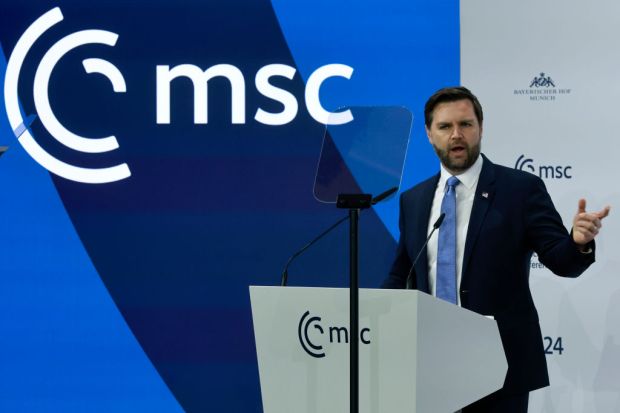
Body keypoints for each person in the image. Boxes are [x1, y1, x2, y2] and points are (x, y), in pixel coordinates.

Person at [382, 86, 610, 412]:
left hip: (500, 365)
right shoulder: (413, 200)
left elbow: (561, 260)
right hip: (430, 359)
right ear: (429, 134)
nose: (456, 134)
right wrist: (374, 318)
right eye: (445, 126)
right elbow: (402, 271)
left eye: (466, 124)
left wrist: (578, 242)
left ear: (481, 128)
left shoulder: (520, 189)